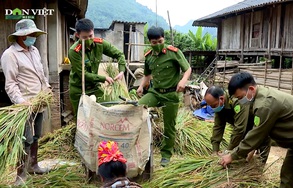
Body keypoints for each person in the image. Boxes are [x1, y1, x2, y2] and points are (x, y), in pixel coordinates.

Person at [220, 72, 293, 188]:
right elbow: (260, 130)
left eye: (240, 97)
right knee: (288, 177)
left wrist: (232, 155)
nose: (240, 101)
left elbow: (256, 134)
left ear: (251, 89)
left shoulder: (264, 104)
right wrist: (251, 148)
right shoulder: (259, 97)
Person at [1, 19, 51, 185]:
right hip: (25, 105)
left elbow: (41, 73)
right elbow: (10, 83)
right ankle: (20, 174)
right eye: (32, 34)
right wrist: (21, 102)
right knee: (25, 139)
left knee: (36, 136)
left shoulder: (34, 50)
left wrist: (47, 88)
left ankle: (33, 165)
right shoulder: (10, 55)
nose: (34, 37)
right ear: (22, 36)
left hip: (39, 102)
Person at [137, 26, 192, 167]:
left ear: (164, 39)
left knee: (169, 126)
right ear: (150, 42)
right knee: (137, 109)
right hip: (155, 92)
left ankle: (166, 155)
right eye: (154, 42)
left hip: (171, 94)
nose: (157, 44)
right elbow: (147, 75)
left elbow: (188, 69)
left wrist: (183, 81)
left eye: (160, 41)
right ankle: (139, 146)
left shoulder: (174, 52)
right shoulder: (149, 56)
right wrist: (142, 86)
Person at [68, 18, 126, 115]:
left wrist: (121, 71)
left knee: (102, 114)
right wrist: (104, 78)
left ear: (93, 32)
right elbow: (84, 74)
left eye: (90, 36)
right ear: (77, 35)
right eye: (84, 37)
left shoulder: (100, 44)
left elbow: (119, 54)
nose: (89, 40)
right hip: (79, 89)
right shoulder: (74, 51)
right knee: (81, 119)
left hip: (94, 88)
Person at [204, 86, 270, 163]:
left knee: (260, 158)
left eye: (213, 106)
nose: (213, 109)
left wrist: (228, 151)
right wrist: (215, 150)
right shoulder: (219, 105)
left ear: (221, 99)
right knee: (243, 158)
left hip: (260, 124)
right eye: (211, 106)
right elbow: (218, 127)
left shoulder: (237, 100)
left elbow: (240, 129)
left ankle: (258, 170)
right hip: (246, 127)